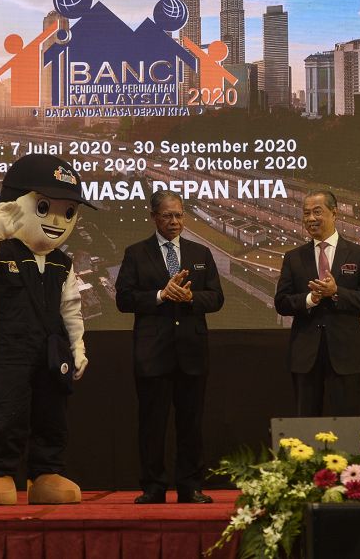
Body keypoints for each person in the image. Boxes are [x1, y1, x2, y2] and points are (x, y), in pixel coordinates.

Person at [0, 154, 94, 505]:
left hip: (53, 350)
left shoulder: (62, 263)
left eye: (67, 213)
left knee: (53, 412)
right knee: (11, 410)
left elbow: (71, 308)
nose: (57, 220)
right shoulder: (2, 252)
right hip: (14, 349)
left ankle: (45, 473)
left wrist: (78, 346)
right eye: (45, 207)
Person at [115, 190, 224, 504]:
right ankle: (153, 486)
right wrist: (161, 295)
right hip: (152, 354)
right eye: (167, 215)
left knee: (191, 423)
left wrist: (191, 298)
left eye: (178, 215)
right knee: (152, 423)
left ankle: (190, 486)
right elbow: (124, 299)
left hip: (192, 353)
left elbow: (216, 298)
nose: (174, 221)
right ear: (154, 217)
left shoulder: (200, 253)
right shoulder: (136, 253)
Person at [274, 190, 360, 416]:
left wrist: (336, 292)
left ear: (334, 213)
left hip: (346, 355)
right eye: (306, 213)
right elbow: (281, 302)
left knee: (347, 423)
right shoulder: (293, 257)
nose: (310, 219)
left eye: (317, 212)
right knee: (306, 426)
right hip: (305, 356)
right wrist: (311, 299)